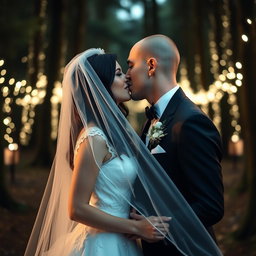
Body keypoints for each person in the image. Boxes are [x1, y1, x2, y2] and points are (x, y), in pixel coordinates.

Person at [25, 48, 223, 256]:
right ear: (100, 85)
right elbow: (76, 208)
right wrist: (137, 227)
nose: (127, 77)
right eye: (119, 73)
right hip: (104, 243)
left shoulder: (121, 132)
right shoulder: (94, 138)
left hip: (127, 240)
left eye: (127, 68)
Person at [126, 34, 224, 256]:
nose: (127, 75)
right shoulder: (153, 119)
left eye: (130, 66)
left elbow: (211, 206)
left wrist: (158, 226)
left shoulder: (191, 122)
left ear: (151, 65)